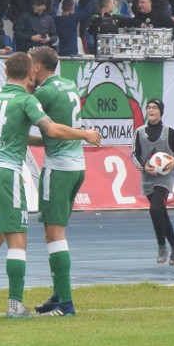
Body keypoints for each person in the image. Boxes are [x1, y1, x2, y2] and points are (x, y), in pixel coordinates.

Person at [0, 52, 101, 318]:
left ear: (6, 72)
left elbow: (17, 133)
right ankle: (15, 306)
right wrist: (84, 135)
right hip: (8, 174)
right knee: (18, 240)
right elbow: (53, 129)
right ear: (30, 72)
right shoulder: (39, 95)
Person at [28, 47, 101, 316]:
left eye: (29, 64)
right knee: (58, 232)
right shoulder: (68, 84)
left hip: (58, 169)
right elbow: (52, 133)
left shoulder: (43, 92)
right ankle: (58, 294)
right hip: (76, 167)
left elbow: (50, 127)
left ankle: (66, 303)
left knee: (53, 235)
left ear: (36, 68)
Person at [130, 98, 174, 266]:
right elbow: (134, 154)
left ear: (161, 111)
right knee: (161, 213)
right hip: (148, 178)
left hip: (165, 178)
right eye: (149, 107)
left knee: (155, 209)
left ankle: (162, 246)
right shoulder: (140, 132)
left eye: (154, 107)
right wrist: (143, 167)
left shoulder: (169, 131)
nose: (151, 110)